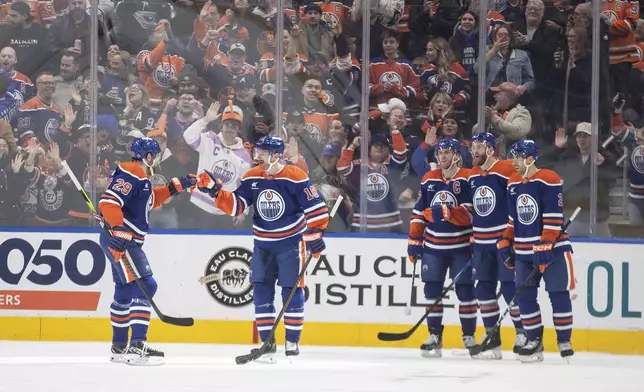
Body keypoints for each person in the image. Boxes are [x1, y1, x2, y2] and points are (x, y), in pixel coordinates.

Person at [196, 136, 329, 359]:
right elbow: (237, 206)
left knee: (291, 290)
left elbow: (317, 209)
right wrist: (215, 192)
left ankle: (292, 342)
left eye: (263, 152)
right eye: (258, 151)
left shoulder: (296, 177)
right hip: (263, 245)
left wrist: (315, 234)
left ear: (276, 155)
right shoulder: (252, 176)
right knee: (261, 291)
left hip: (291, 244)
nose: (257, 156)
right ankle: (268, 342)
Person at [98, 137, 197, 366]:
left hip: (120, 238)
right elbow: (109, 201)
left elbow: (149, 201)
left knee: (125, 288)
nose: (158, 158)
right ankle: (137, 347)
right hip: (124, 240)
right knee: (147, 285)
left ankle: (119, 347)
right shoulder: (133, 171)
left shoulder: (141, 177)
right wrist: (119, 230)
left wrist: (177, 185)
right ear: (149, 156)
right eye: (157, 154)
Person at [498, 140, 575, 363]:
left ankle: (564, 340)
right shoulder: (513, 182)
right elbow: (513, 220)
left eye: (516, 157)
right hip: (523, 251)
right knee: (524, 297)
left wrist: (545, 243)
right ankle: (534, 340)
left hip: (552, 251)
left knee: (558, 293)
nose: (512, 162)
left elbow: (554, 219)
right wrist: (505, 240)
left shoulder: (548, 178)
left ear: (529, 159)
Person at [408, 138, 476, 358]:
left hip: (461, 247)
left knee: (465, 292)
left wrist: (445, 213)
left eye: (446, 153)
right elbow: (420, 212)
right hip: (433, 247)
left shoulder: (467, 178)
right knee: (432, 291)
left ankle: (469, 336)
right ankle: (434, 336)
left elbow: (471, 214)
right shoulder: (429, 179)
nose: (442, 157)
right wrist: (414, 241)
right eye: (439, 153)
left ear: (456, 155)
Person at [467, 132, 525, 359]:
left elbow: (519, 200)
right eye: (473, 147)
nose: (474, 151)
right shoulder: (473, 174)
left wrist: (513, 236)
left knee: (510, 288)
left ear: (491, 149)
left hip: (503, 242)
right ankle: (493, 338)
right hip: (481, 245)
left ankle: (523, 333)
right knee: (483, 289)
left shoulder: (506, 169)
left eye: (479, 146)